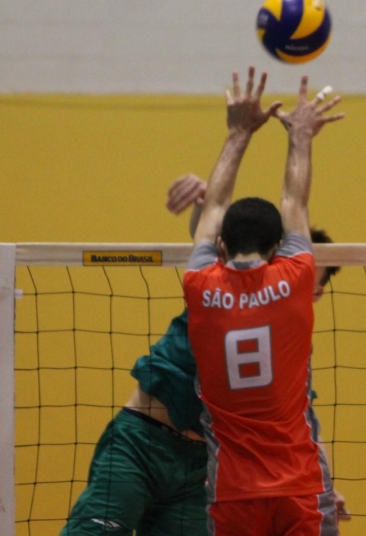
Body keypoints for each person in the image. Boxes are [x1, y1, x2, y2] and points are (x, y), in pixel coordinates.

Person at [60, 174, 346, 532]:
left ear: (314, 293)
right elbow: (209, 238)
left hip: (203, 471)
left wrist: (325, 485)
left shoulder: (292, 347)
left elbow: (303, 421)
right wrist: (203, 202)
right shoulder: (219, 289)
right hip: (142, 441)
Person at [183, 67, 344, 536]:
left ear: (219, 247)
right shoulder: (296, 277)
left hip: (233, 490)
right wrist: (300, 135)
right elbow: (295, 199)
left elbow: (212, 208)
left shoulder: (199, 285)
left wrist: (238, 134)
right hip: (298, 486)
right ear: (278, 249)